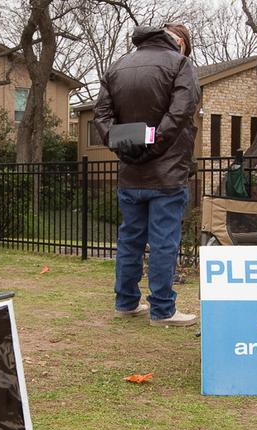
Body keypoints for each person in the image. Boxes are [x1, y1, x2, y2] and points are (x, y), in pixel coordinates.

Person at [94, 23, 200, 327]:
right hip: (167, 174)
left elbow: (101, 117)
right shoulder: (181, 64)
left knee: (130, 239)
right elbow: (180, 113)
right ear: (178, 42)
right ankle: (163, 310)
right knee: (164, 242)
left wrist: (125, 148)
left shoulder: (117, 67)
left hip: (130, 172)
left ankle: (125, 303)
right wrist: (154, 147)